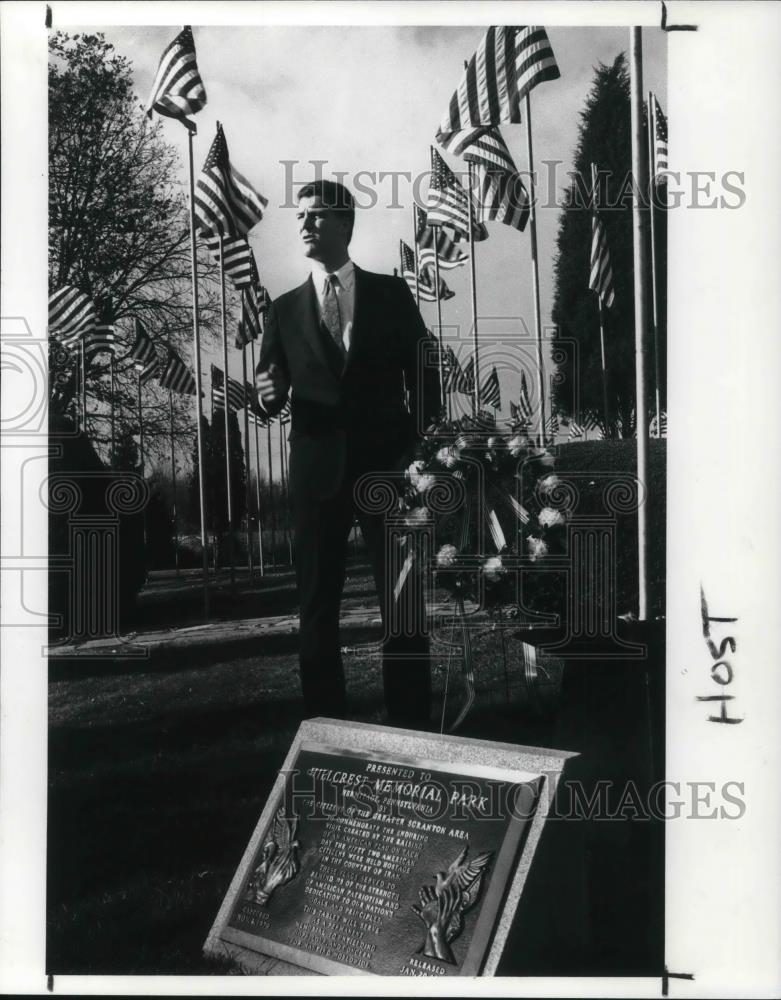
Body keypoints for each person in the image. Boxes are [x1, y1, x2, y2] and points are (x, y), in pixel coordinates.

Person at [256, 179, 441, 727]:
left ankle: (412, 729)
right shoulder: (284, 310)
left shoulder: (391, 294)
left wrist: (423, 450)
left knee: (403, 606)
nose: (305, 225)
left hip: (390, 473)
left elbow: (424, 372)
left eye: (316, 215)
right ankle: (327, 734)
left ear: (345, 225)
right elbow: (272, 387)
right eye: (301, 217)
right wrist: (268, 396)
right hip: (316, 477)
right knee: (317, 610)